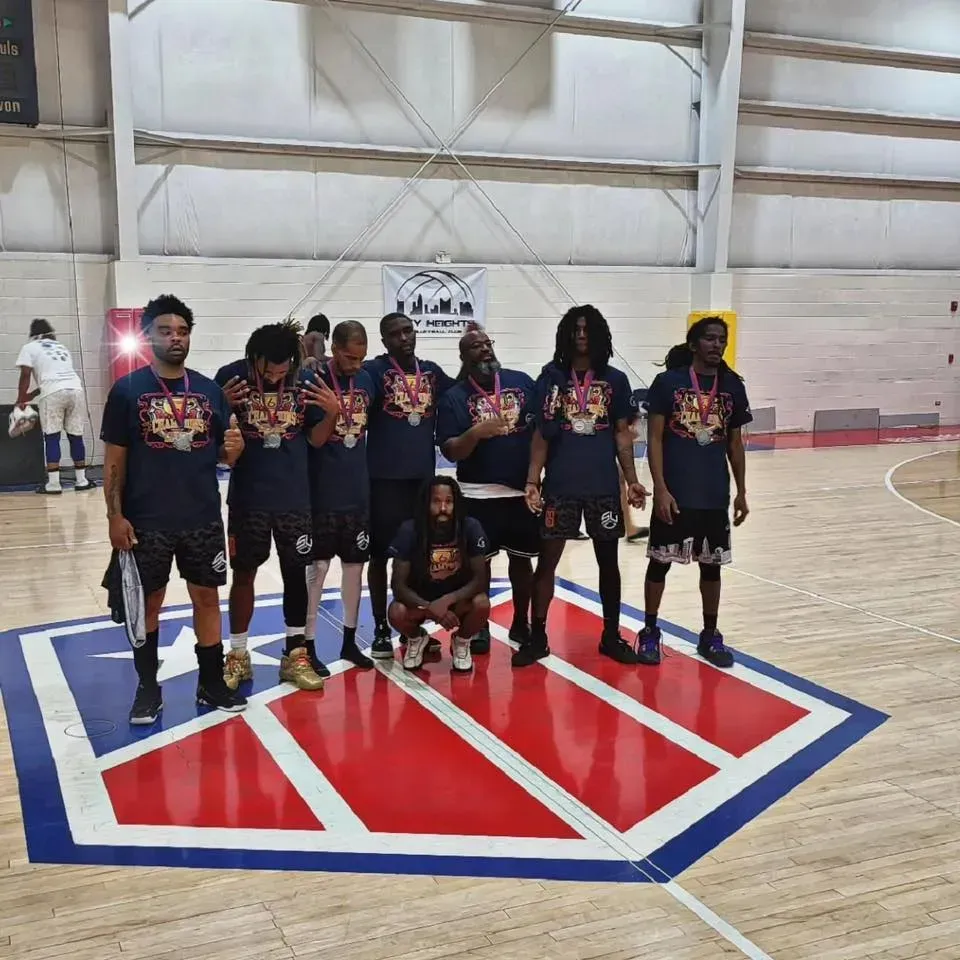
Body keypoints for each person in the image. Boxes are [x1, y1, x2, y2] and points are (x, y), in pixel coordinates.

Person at [100, 295, 247, 723]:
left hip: (201, 515)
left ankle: (211, 682)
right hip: (147, 520)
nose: (176, 338)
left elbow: (220, 454)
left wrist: (232, 451)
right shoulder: (128, 391)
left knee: (206, 597)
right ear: (148, 336)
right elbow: (114, 463)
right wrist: (114, 515)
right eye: (166, 331)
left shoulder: (208, 390)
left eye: (182, 331)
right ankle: (148, 688)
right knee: (149, 603)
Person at [215, 322, 341, 693]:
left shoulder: (305, 380)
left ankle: (296, 653)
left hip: (294, 497)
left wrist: (332, 414)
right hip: (248, 497)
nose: (274, 376)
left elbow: (316, 441)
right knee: (244, 575)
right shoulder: (231, 378)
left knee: (297, 574)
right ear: (253, 358)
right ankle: (238, 654)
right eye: (267, 370)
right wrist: (218, 404)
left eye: (281, 369)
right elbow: (213, 436)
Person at [521, 305, 649, 667]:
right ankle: (538, 636)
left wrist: (633, 482)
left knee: (609, 564)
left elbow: (622, 436)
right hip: (560, 486)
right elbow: (541, 436)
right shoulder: (551, 378)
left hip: (602, 487)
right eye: (575, 329)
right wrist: (533, 481)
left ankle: (611, 636)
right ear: (565, 334)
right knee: (547, 563)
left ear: (598, 335)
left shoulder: (615, 380)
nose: (580, 335)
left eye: (587, 329)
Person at [639, 316, 751, 668]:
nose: (717, 345)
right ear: (693, 345)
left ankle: (710, 633)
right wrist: (660, 488)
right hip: (676, 493)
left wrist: (742, 491)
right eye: (710, 339)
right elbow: (654, 438)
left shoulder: (732, 386)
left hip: (714, 494)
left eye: (722, 340)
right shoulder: (668, 383)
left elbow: (735, 444)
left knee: (712, 568)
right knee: (659, 564)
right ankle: (650, 631)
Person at [436, 328, 539, 654]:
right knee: (479, 567)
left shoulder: (521, 382)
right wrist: (476, 432)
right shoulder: (454, 396)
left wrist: (536, 479)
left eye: (487, 344)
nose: (483, 350)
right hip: (477, 494)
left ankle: (522, 621)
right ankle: (477, 624)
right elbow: (451, 450)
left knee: (522, 564)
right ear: (464, 356)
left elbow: (541, 432)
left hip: (520, 492)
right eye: (474, 347)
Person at [364, 312, 455, 659]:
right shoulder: (376, 371)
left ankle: (411, 629)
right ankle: (380, 629)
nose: (404, 337)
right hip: (383, 481)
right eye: (395, 334)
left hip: (422, 483)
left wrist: (471, 352)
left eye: (408, 331)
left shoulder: (430, 372)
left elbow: (461, 387)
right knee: (378, 557)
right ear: (384, 340)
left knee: (416, 558)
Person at [304, 321, 377, 672]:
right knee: (317, 571)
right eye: (350, 357)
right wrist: (333, 412)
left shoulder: (367, 379)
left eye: (362, 357)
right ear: (334, 348)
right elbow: (315, 440)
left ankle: (350, 641)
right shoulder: (313, 381)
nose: (356, 364)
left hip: (357, 492)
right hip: (322, 494)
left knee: (354, 570)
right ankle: (309, 643)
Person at [388, 475, 491, 672]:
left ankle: (461, 641)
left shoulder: (470, 527)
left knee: (482, 604)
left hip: (456, 600)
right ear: (426, 503)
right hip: (421, 601)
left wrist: (447, 601)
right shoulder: (409, 530)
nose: (443, 508)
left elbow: (480, 579)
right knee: (396, 612)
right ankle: (417, 638)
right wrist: (430, 607)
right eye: (436, 501)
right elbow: (398, 585)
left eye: (448, 502)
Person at [16, 318, 94, 494]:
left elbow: (26, 376)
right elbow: (58, 379)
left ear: (33, 334)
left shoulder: (29, 347)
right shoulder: (61, 347)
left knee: (52, 437)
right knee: (76, 436)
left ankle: (53, 484)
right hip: (76, 389)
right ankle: (81, 481)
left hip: (52, 395)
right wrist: (32, 395)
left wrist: (21, 398)